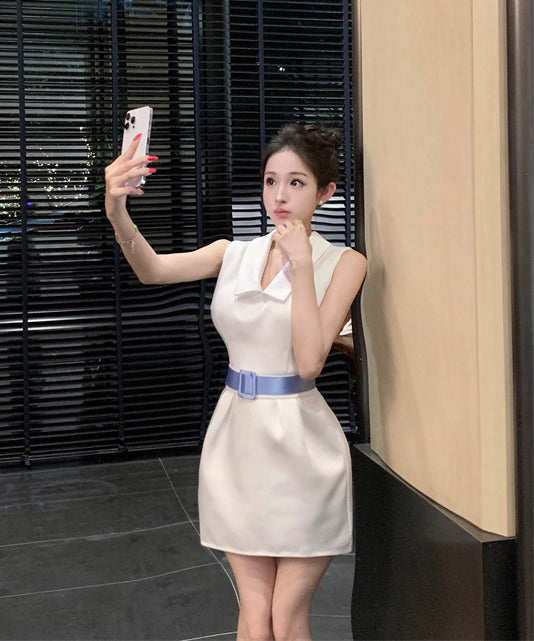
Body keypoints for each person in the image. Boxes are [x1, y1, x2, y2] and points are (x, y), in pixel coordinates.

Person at [105, 123, 367, 641]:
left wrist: (301, 267)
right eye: (271, 181)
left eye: (296, 182)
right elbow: (151, 270)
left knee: (286, 616)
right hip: (236, 442)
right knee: (254, 611)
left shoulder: (344, 263)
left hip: (303, 447)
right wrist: (117, 209)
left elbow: (309, 362)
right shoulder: (233, 253)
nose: (280, 196)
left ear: (326, 193)